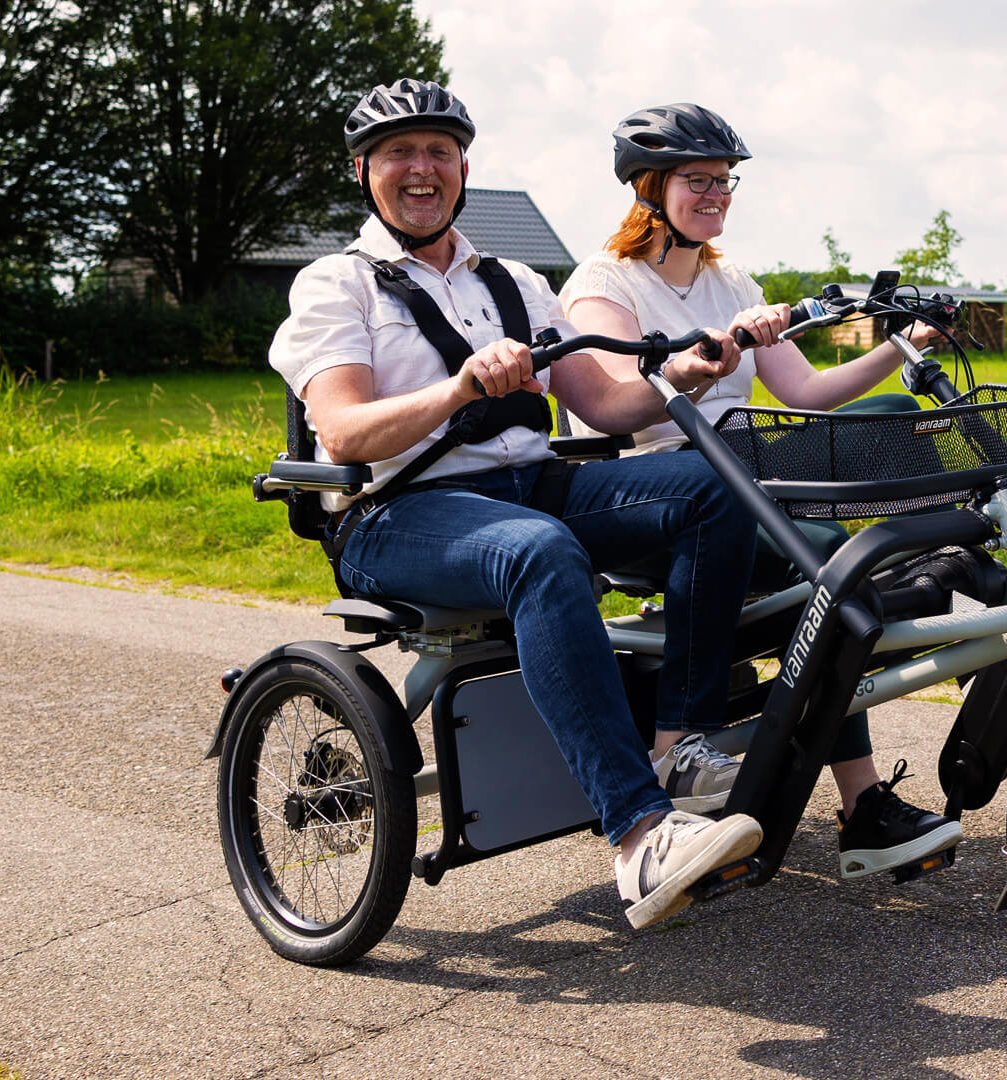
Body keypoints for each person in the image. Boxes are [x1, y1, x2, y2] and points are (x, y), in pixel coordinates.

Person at [267, 79, 763, 930]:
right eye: (399, 154)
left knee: (718, 486)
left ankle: (677, 745)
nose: (421, 170)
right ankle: (640, 836)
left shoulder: (520, 283)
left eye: (439, 152)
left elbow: (606, 408)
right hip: (398, 515)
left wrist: (681, 375)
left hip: (529, 485)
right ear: (363, 171)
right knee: (538, 551)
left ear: (463, 166)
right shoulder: (335, 286)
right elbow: (345, 432)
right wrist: (458, 388)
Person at [559, 103, 962, 880]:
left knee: (896, 413)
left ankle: (943, 570)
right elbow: (604, 402)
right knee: (827, 561)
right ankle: (859, 801)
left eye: (725, 182)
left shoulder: (730, 278)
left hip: (748, 474)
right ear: (648, 188)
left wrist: (900, 347)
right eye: (697, 181)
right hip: (661, 489)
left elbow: (807, 393)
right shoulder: (604, 285)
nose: (715, 195)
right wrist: (712, 354)